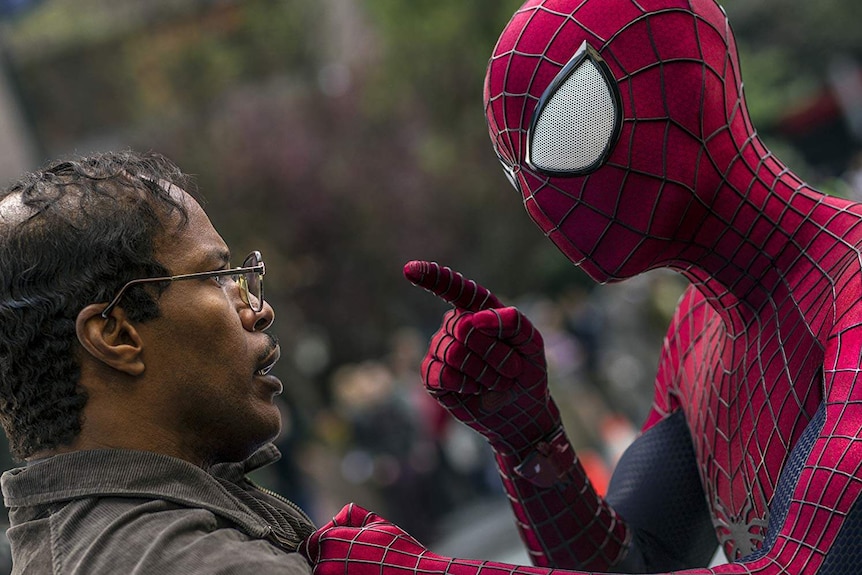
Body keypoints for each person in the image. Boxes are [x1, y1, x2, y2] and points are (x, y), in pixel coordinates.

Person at [301, 0, 862, 574]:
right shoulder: (696, 335)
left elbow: (802, 566)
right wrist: (527, 437)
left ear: (683, 76)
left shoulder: (853, 286)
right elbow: (632, 564)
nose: (539, 200)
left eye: (570, 127)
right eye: (515, 171)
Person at [0, 150, 315, 574]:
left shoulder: (89, 542)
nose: (258, 310)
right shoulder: (202, 564)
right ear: (116, 335)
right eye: (213, 276)